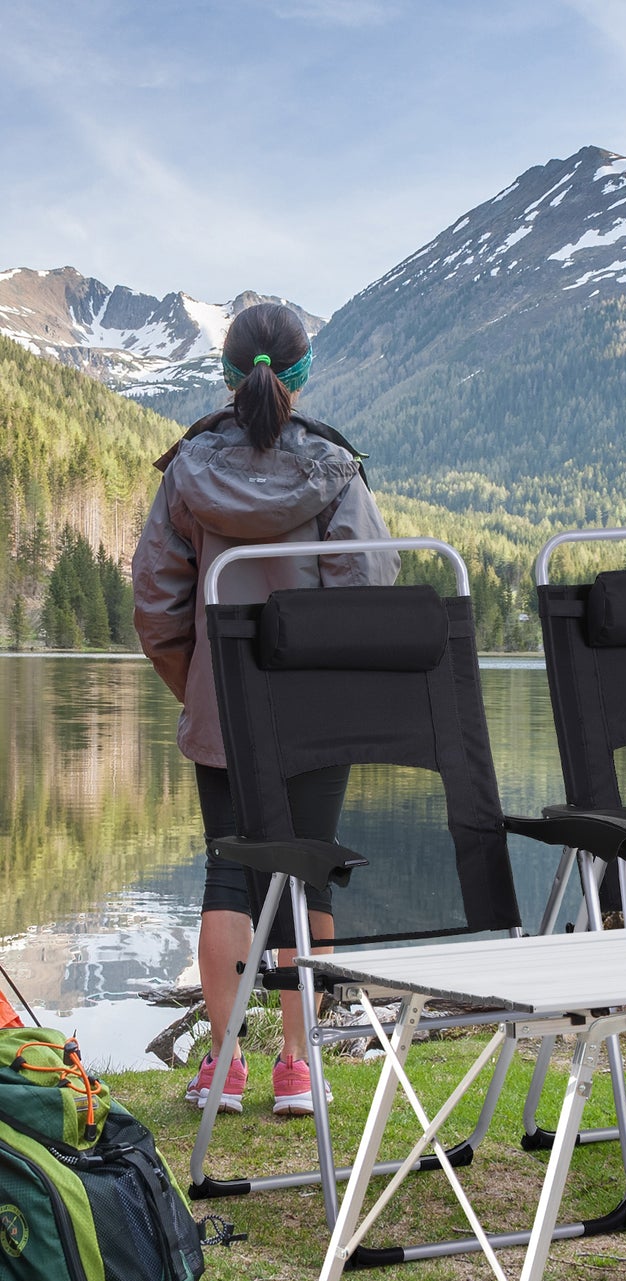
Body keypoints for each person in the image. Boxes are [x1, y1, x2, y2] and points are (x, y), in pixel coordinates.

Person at [132, 302, 398, 1116]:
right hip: (314, 707)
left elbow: (156, 603)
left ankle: (223, 1066)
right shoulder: (333, 469)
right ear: (303, 372)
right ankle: (296, 1066)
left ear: (229, 371)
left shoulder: (187, 472)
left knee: (228, 873)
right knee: (305, 874)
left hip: (225, 709)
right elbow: (370, 585)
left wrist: (201, 687)